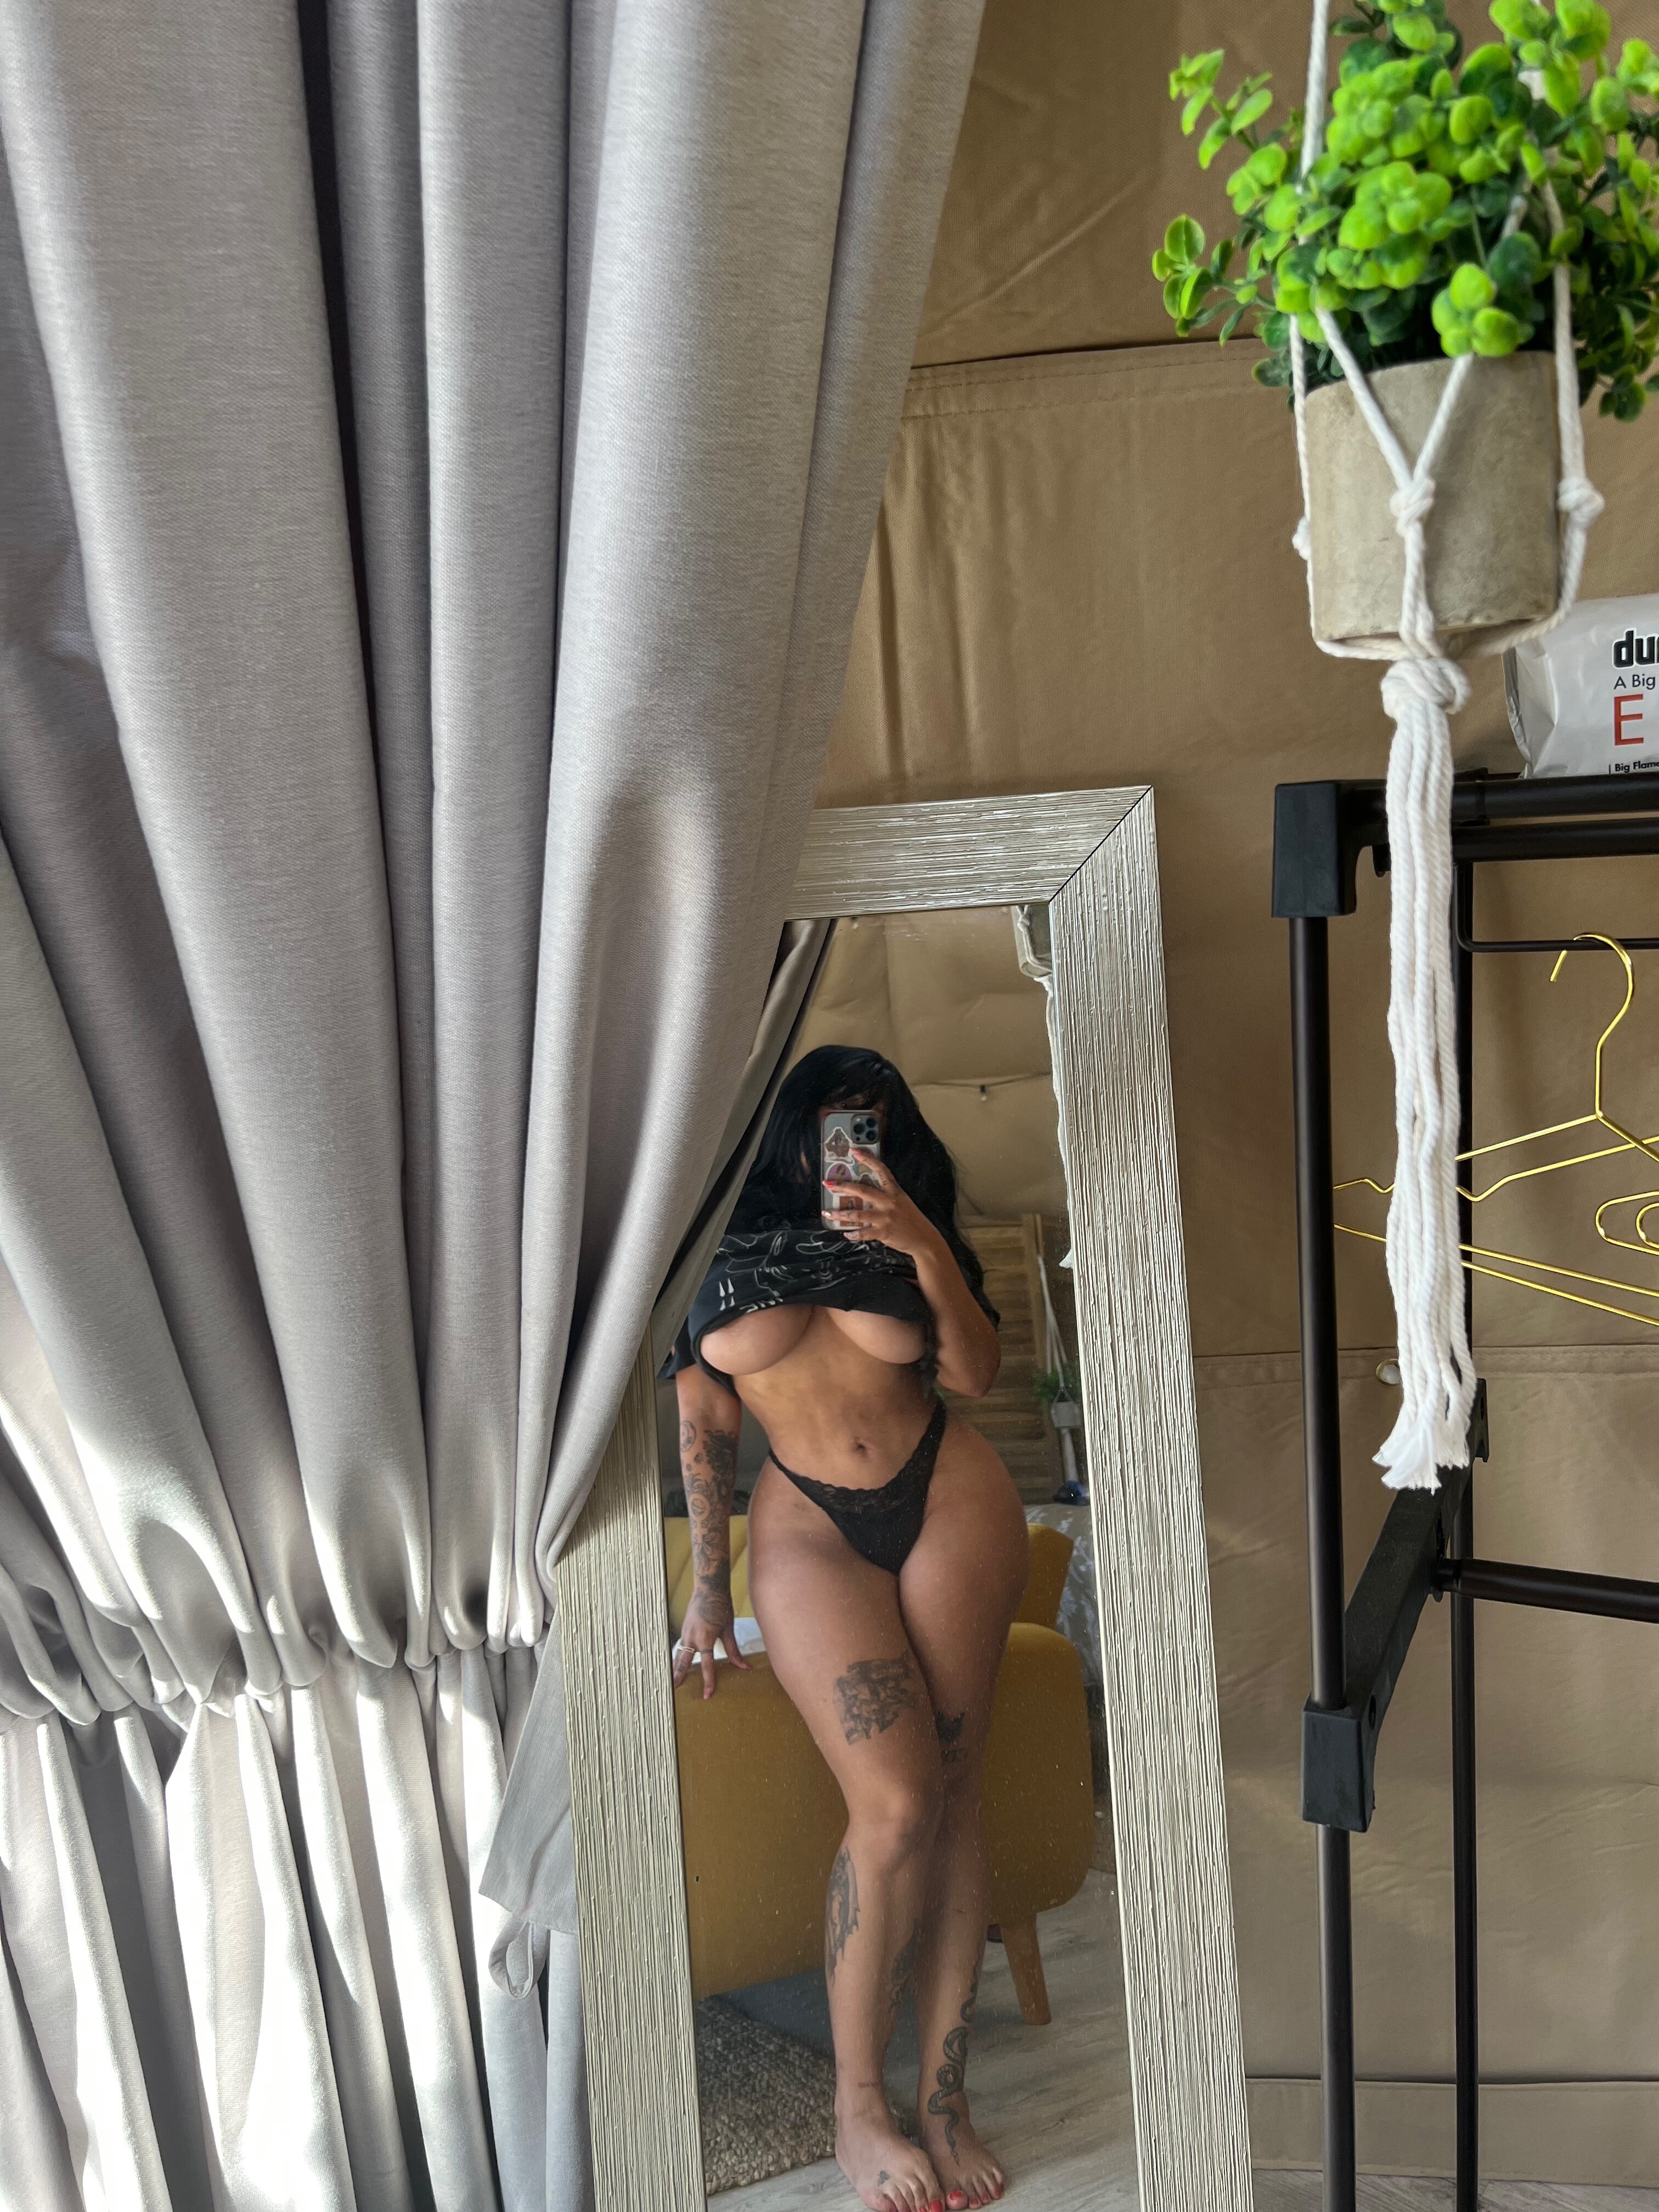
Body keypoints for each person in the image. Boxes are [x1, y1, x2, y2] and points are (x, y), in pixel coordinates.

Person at [671, 1046, 1029, 2212]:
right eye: (832, 1126)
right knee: (896, 1804)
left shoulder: (908, 1227)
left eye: (870, 1127)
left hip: (950, 1494)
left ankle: (946, 2100)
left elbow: (976, 1375)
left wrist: (921, 1242)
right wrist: (709, 1585)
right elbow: (706, 1412)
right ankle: (858, 2106)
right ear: (792, 1130)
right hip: (808, 1520)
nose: (849, 1150)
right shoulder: (711, 1237)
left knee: (957, 1793)